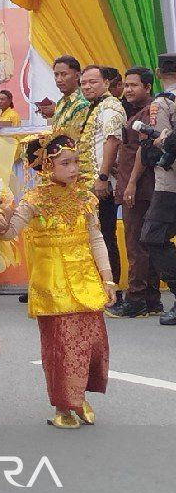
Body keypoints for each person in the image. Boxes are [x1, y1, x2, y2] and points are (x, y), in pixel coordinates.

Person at [0, 131, 112, 428]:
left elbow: (96, 238)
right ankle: (63, 407)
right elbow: (10, 233)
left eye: (75, 162)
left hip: (86, 282)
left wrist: (108, 280)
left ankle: (79, 397)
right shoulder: (34, 200)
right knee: (61, 348)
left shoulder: (85, 197)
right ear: (48, 166)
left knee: (90, 344)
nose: (73, 169)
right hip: (52, 286)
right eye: (65, 163)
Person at [109, 68, 167, 318]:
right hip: (139, 185)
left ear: (147, 86)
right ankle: (152, 299)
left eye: (134, 85)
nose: (128, 90)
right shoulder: (135, 112)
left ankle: (135, 298)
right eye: (126, 85)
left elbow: (144, 151)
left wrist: (130, 183)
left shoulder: (149, 112)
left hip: (141, 187)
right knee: (147, 242)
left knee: (136, 243)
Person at [78, 65, 127, 306]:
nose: (87, 86)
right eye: (84, 83)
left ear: (106, 83)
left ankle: (113, 292)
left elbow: (112, 141)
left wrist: (103, 176)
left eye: (93, 82)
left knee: (105, 236)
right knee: (95, 235)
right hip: (90, 184)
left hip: (101, 184)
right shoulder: (95, 107)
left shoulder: (110, 106)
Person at [141, 53, 176, 326]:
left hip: (170, 184)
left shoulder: (163, 102)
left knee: (153, 237)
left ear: (156, 72)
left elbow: (161, 141)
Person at [40, 56, 89, 129]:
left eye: (64, 74)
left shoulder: (83, 103)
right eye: (56, 75)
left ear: (77, 76)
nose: (58, 80)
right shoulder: (61, 102)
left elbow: (73, 136)